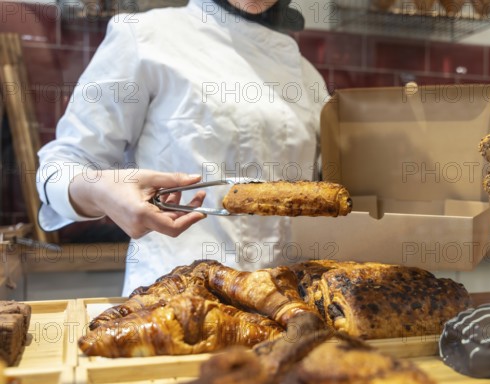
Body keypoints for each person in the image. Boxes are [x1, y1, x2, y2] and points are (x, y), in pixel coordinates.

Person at [35, 0, 328, 295]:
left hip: (283, 308)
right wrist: (100, 189)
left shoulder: (308, 78)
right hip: (172, 303)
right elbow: (63, 164)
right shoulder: (145, 36)